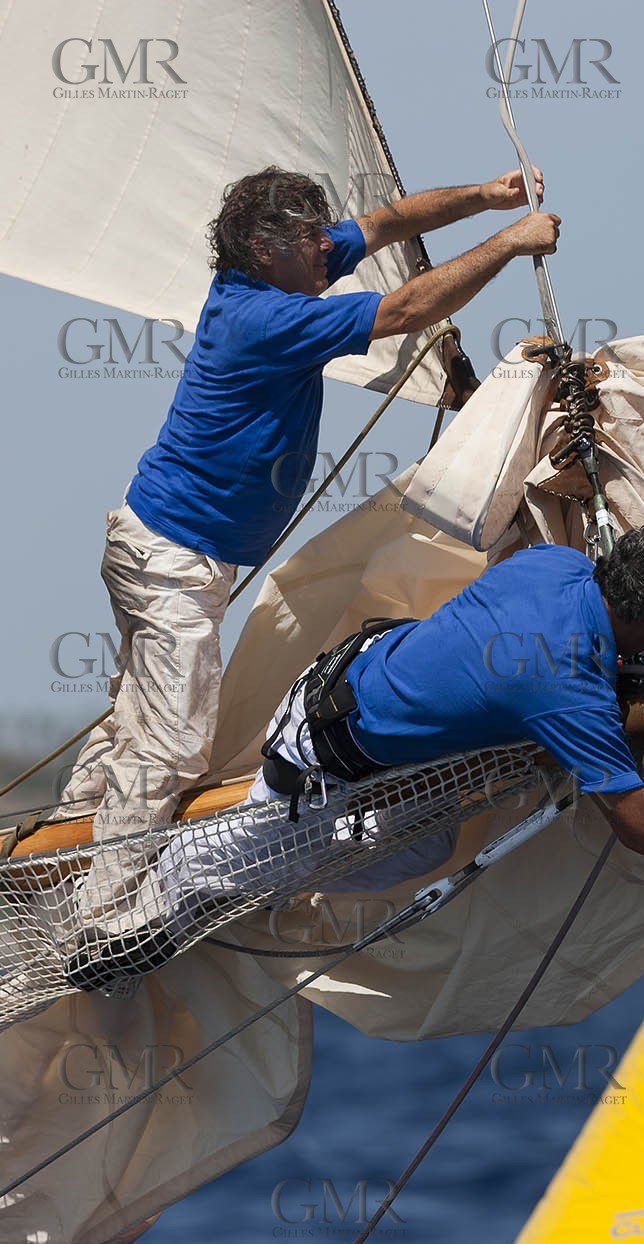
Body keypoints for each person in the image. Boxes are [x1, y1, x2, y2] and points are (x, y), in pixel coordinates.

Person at [56, 164, 561, 846]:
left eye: (325, 233)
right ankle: (104, 920)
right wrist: (508, 241)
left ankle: (60, 847)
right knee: (170, 746)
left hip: (164, 544)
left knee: (135, 722)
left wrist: (484, 198)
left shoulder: (287, 269)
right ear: (265, 249)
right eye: (310, 237)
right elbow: (406, 311)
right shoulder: (264, 317)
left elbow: (387, 223)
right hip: (169, 559)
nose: (329, 246)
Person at [65, 524, 644, 989]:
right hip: (319, 758)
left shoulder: (552, 563)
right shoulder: (567, 694)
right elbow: (640, 830)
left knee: (422, 852)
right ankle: (118, 924)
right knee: (208, 871)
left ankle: (267, 882)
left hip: (344, 675)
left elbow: (536, 642)